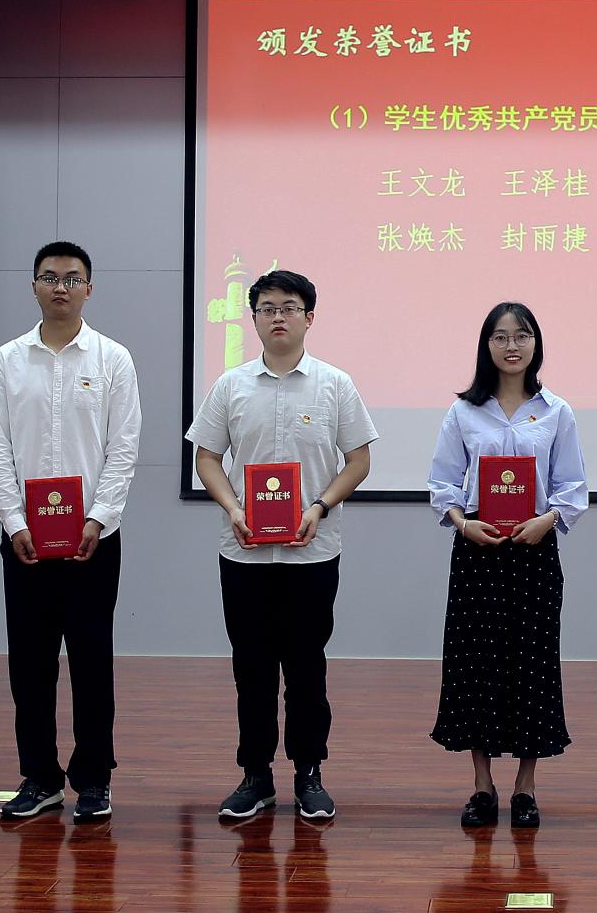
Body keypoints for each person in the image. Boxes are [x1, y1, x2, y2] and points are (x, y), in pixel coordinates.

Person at [187, 269, 377, 823]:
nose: (278, 317)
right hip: (244, 552)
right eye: (267, 308)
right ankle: (255, 776)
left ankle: (309, 773)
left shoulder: (335, 384)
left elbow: (359, 461)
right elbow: (206, 458)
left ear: (309, 317)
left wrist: (319, 506)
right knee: (251, 668)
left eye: (289, 307)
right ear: (253, 319)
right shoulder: (230, 386)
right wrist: (233, 507)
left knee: (306, 668)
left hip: (311, 553)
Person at [0, 241, 142, 822]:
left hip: (93, 540)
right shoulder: (7, 360)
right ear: (33, 285)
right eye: (50, 277)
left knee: (92, 661)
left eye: (72, 278)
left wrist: (100, 517)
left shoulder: (113, 359)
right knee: (29, 665)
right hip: (25, 541)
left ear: (89, 289)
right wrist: (13, 522)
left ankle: (95, 779)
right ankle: (40, 778)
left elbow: (124, 448)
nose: (60, 287)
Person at [427, 302, 589, 829]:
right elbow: (443, 482)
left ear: (536, 344)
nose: (512, 346)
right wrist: (462, 523)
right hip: (479, 548)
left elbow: (572, 485)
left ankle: (525, 787)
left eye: (522, 335)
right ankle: (481, 786)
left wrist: (548, 520)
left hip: (533, 549)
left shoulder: (556, 411)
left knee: (532, 664)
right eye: (500, 336)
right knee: (475, 664)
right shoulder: (463, 412)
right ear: (487, 346)